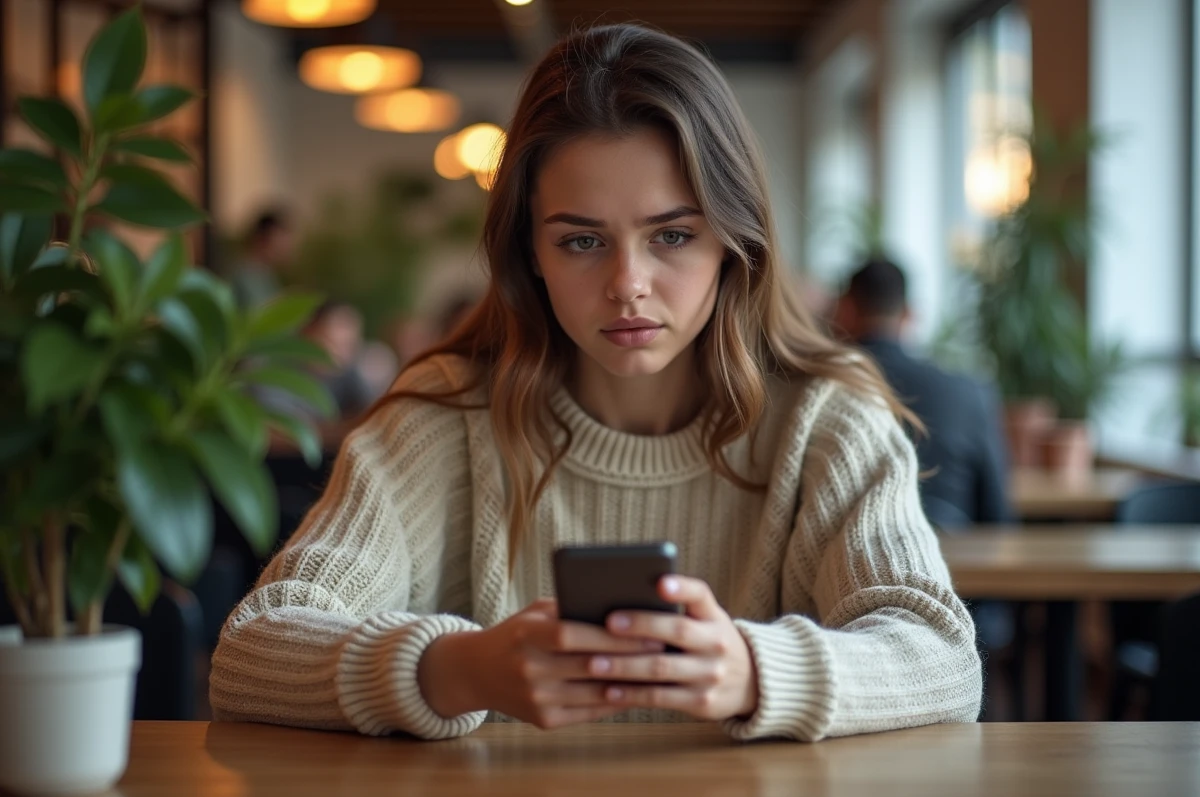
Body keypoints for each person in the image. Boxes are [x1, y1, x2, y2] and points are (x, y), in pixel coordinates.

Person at [211, 24, 981, 742]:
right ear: (530, 255)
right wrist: (456, 670)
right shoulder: (441, 416)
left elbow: (944, 661)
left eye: (672, 235)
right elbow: (251, 652)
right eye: (582, 241)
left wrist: (752, 671)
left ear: (732, 243)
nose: (627, 285)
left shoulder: (828, 420)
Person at [833, 258, 1014, 527]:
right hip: (960, 560)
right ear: (908, 313)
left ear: (846, 310)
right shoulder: (968, 391)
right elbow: (996, 512)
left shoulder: (825, 389)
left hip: (852, 558)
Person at [229, 210, 294, 309]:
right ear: (262, 240)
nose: (283, 250)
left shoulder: (267, 275)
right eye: (279, 245)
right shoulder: (244, 277)